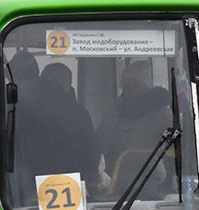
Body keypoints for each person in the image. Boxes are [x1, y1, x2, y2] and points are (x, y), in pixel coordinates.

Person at [17, 61, 101, 189]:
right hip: (28, 179)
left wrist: (85, 178)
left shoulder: (79, 114)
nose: (53, 87)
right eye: (48, 82)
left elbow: (91, 152)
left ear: (68, 85)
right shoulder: (24, 109)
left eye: (58, 82)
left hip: (69, 181)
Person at [97, 61, 171, 184]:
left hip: (150, 179)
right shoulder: (117, 113)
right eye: (126, 86)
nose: (130, 91)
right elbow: (100, 147)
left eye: (136, 86)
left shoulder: (163, 114)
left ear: (146, 88)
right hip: (116, 179)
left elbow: (175, 146)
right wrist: (110, 119)